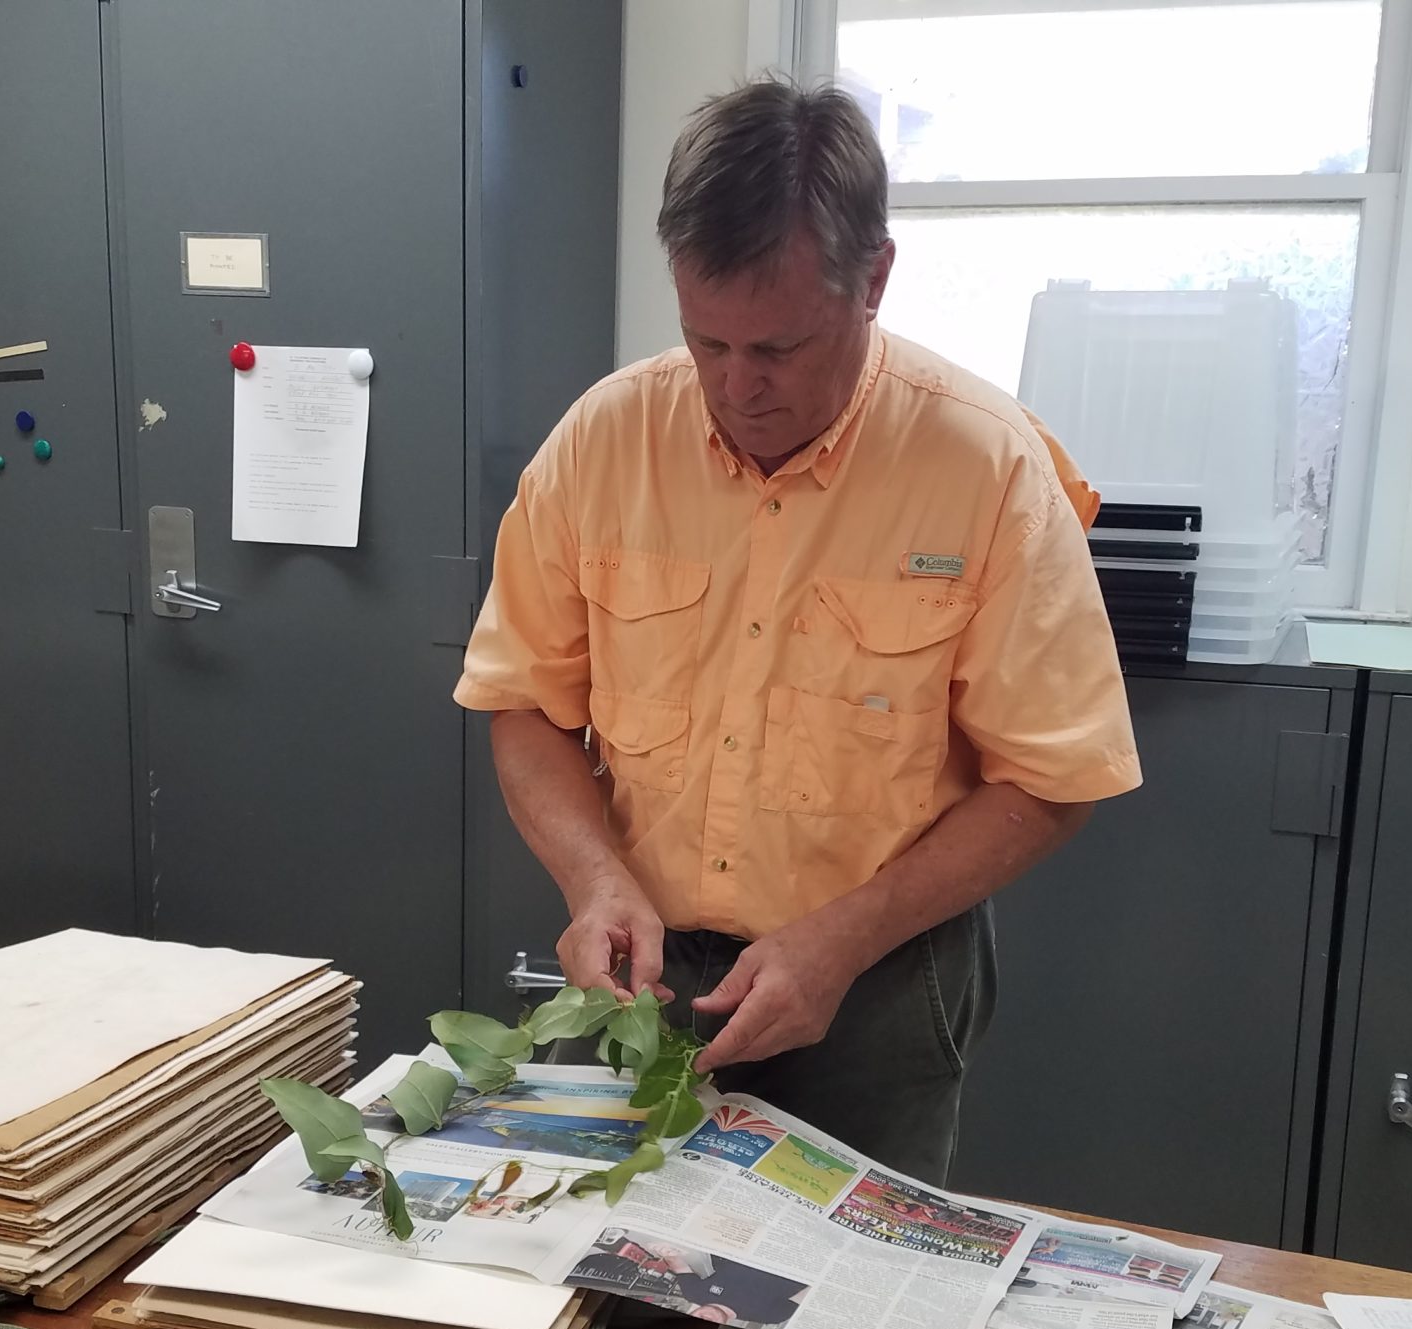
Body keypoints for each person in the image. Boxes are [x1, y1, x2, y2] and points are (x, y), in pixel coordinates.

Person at [455, 79, 1137, 1182]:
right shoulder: (604, 441)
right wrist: (593, 880)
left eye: (777, 346)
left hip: (875, 982)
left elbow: (1054, 778)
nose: (737, 387)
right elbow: (525, 702)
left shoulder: (988, 468)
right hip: (647, 969)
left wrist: (842, 939)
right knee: (601, 1294)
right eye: (704, 341)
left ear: (872, 280)